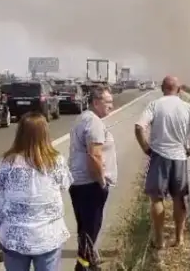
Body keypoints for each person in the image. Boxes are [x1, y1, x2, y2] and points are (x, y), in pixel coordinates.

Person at [0, 112, 72, 271]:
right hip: (48, 236)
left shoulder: (7, 163)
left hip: (14, 236)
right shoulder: (56, 161)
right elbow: (65, 185)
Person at [134, 75, 190, 249]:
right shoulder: (187, 107)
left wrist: (145, 147)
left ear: (162, 89)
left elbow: (139, 127)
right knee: (179, 198)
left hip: (159, 156)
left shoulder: (155, 105)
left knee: (157, 199)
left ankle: (159, 241)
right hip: (180, 158)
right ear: (180, 90)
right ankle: (179, 238)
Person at [68, 85, 117, 271]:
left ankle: (89, 264)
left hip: (80, 184)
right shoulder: (94, 122)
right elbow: (95, 156)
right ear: (96, 102)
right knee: (90, 232)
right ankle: (83, 267)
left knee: (85, 231)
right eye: (108, 102)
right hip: (90, 185)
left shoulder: (84, 118)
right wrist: (102, 181)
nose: (111, 106)